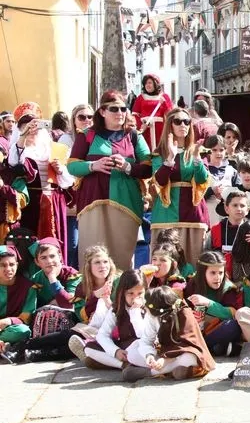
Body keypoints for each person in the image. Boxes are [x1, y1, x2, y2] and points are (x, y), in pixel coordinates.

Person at [9, 103, 75, 253]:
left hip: (53, 202)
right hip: (30, 204)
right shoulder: (18, 149)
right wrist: (23, 136)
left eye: (35, 125)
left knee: (53, 245)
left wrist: (60, 170)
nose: (32, 130)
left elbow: (68, 182)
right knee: (29, 244)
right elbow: (14, 162)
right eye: (26, 126)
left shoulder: (55, 148)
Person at [150, 108, 211, 263]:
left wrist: (197, 160)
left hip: (193, 212)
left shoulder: (198, 151)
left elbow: (202, 180)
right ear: (170, 125)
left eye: (187, 121)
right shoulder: (159, 153)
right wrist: (170, 158)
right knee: (163, 261)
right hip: (165, 212)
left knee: (193, 260)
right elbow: (159, 181)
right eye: (178, 121)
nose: (183, 125)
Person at [121, 285, 216, 381]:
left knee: (189, 358)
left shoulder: (184, 314)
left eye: (147, 307)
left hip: (180, 354)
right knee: (132, 352)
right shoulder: (152, 315)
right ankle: (170, 370)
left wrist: (165, 360)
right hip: (164, 353)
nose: (145, 308)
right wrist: (149, 356)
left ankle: (151, 372)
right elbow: (146, 340)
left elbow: (186, 345)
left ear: (158, 308)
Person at [80, 269, 149, 370]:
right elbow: (102, 334)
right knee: (89, 348)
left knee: (139, 347)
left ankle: (108, 362)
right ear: (122, 293)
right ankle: (123, 365)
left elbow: (142, 335)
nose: (135, 298)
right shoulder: (116, 309)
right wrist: (115, 351)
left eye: (140, 293)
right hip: (124, 348)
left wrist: (135, 312)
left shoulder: (149, 308)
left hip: (141, 347)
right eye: (130, 293)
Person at [183, 251, 243, 356]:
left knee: (233, 326)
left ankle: (201, 346)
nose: (217, 277)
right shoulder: (193, 284)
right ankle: (211, 348)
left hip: (214, 330)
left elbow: (231, 314)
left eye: (220, 273)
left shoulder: (228, 288)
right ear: (202, 272)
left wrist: (209, 303)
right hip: (194, 330)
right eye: (213, 273)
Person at [0, 245, 37, 363]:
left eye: (12, 264)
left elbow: (27, 317)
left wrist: (8, 321)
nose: (8, 269)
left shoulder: (28, 287)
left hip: (10, 329)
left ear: (17, 265)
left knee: (23, 331)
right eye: (2, 265)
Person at [131, 74, 174, 151]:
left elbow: (170, 114)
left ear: (155, 84)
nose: (147, 85)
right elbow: (135, 114)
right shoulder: (141, 97)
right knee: (146, 149)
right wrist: (141, 125)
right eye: (146, 83)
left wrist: (164, 104)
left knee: (160, 149)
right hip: (145, 129)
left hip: (160, 129)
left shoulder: (164, 97)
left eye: (150, 83)